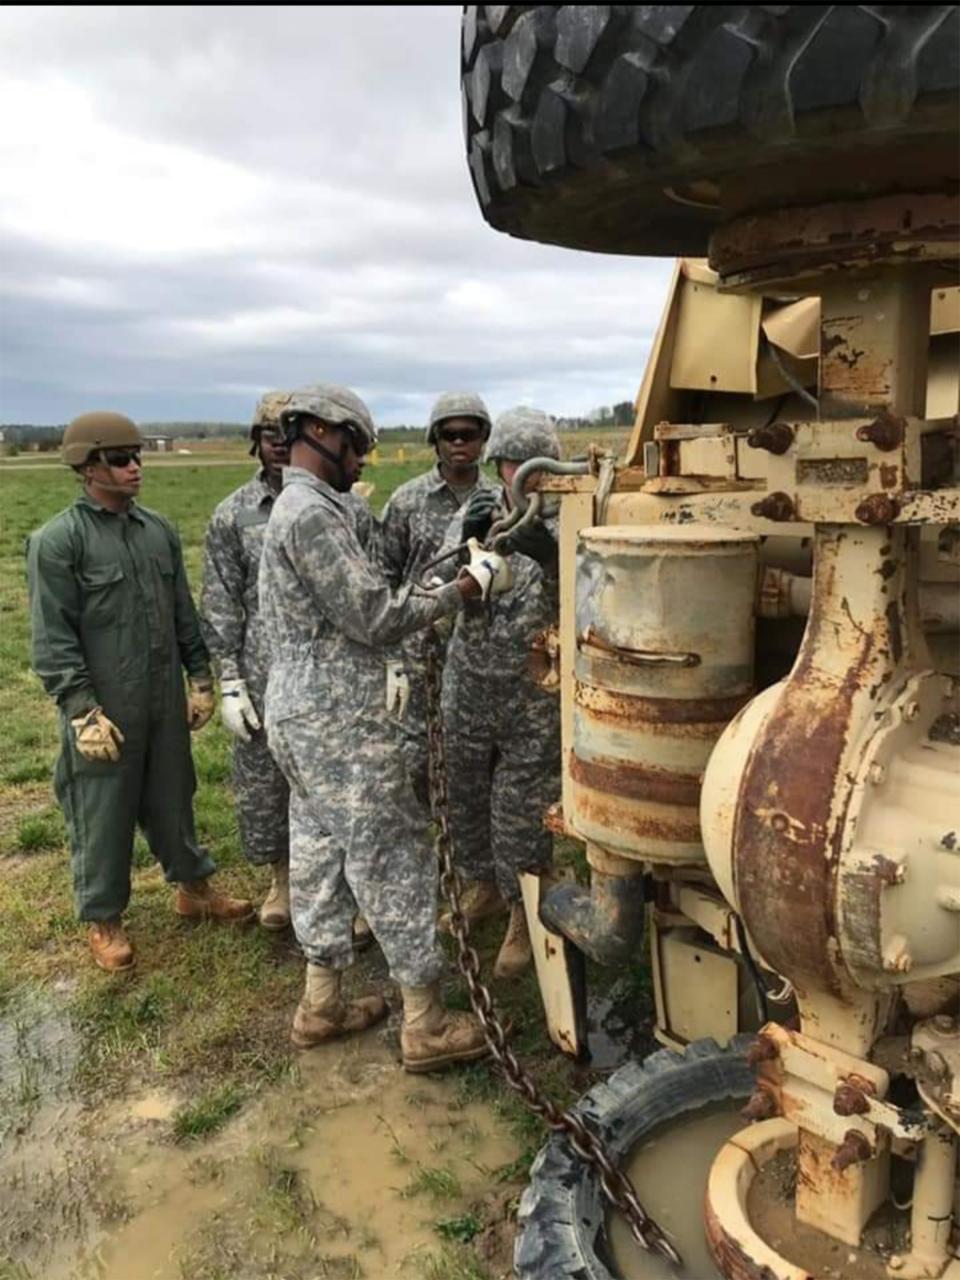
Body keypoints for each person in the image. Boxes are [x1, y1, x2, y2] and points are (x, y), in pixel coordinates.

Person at [257, 382, 511, 1071]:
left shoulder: (310, 507)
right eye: (358, 445)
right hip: (338, 718)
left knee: (318, 852)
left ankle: (322, 1001)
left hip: (303, 711)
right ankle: (425, 1022)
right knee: (392, 851)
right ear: (321, 433)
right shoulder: (308, 514)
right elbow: (372, 614)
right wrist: (465, 588)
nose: (365, 459)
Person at [26, 411, 254, 973]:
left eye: (138, 456)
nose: (135, 468)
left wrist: (199, 678)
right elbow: (52, 638)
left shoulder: (157, 532)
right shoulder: (58, 542)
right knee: (103, 809)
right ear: (86, 466)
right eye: (121, 459)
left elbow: (183, 615)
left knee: (174, 793)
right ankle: (103, 917)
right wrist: (82, 711)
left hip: (162, 695)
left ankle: (193, 887)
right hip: (105, 703)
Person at [436, 407, 563, 978]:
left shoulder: (576, 519)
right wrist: (467, 544)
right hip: (468, 684)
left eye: (532, 467)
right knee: (464, 795)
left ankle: (521, 912)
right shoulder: (479, 512)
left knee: (521, 811)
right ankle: (481, 886)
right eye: (511, 464)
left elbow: (596, 604)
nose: (521, 477)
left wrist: (551, 557)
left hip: (532, 697)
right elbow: (437, 596)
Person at [200, 393, 295, 927]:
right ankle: (280, 881)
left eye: (289, 434)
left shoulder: (339, 504)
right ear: (255, 444)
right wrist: (230, 680)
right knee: (264, 783)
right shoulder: (232, 515)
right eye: (269, 436)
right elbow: (220, 599)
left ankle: (334, 881)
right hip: (260, 670)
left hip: (323, 670)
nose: (279, 445)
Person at [377, 393, 497, 802]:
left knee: (471, 755)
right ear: (436, 440)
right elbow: (384, 576)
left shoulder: (500, 501)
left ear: (484, 439)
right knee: (414, 755)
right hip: (420, 649)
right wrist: (391, 655)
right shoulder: (407, 502)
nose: (460, 443)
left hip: (480, 649)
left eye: (470, 433)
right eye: (450, 434)